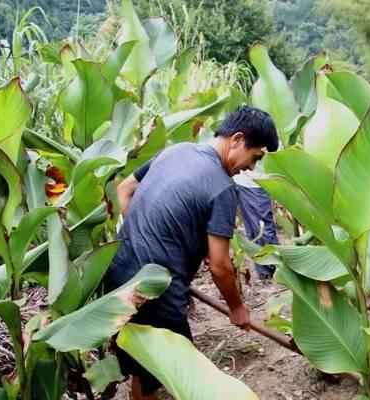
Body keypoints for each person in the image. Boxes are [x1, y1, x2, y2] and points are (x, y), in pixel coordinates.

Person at [103, 106, 279, 400]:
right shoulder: (222, 188)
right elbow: (221, 266)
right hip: (154, 293)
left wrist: (142, 238)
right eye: (255, 157)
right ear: (237, 140)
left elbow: (124, 189)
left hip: (119, 274)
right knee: (184, 378)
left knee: (147, 369)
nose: (251, 167)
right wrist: (237, 307)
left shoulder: (177, 151)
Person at [234, 159, 279, 280]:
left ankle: (271, 270)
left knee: (260, 228)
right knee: (259, 229)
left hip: (255, 180)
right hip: (252, 181)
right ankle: (274, 269)